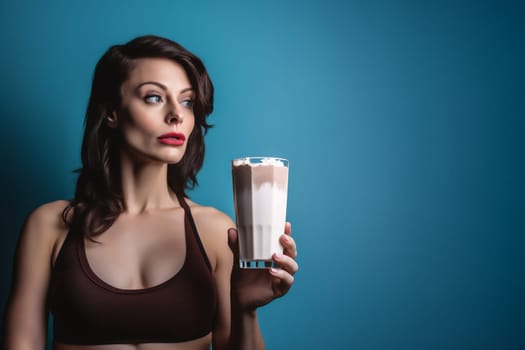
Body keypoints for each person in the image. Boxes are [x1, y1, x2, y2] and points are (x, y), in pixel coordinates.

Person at [3, 35, 298, 350]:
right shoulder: (50, 226)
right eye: (154, 97)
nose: (176, 115)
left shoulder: (215, 232)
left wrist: (245, 308)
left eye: (186, 101)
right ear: (112, 112)